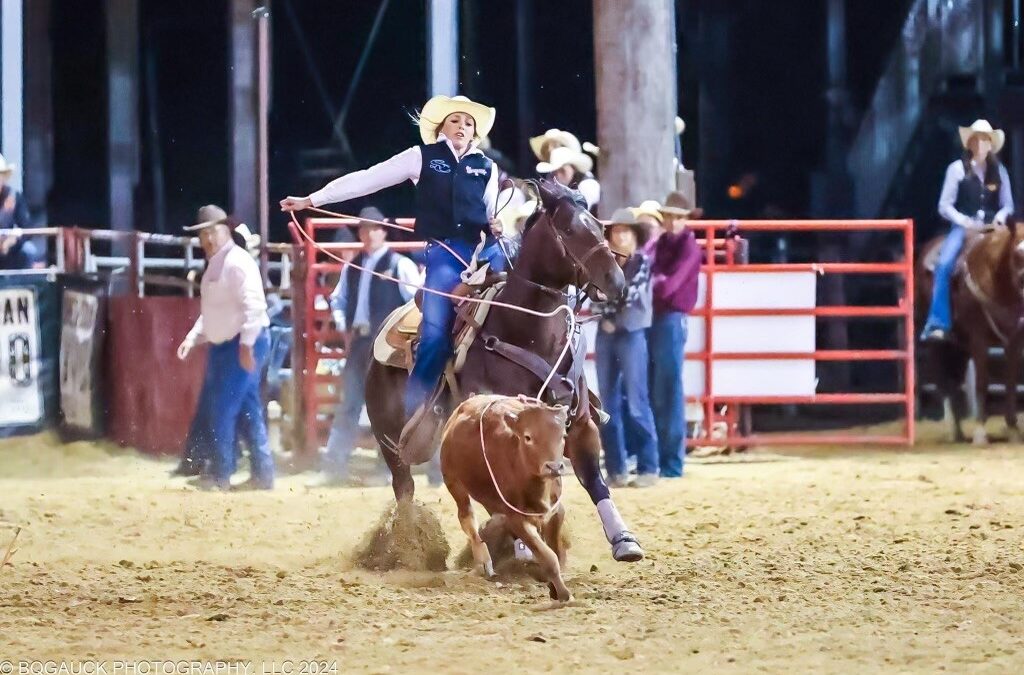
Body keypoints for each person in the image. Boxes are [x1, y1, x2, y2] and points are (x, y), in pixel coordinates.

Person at [280, 95, 507, 427]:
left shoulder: (487, 167)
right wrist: (313, 199)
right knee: (433, 334)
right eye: (455, 120)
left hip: (484, 252)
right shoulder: (421, 157)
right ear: (442, 127)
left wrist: (497, 224)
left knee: (518, 290)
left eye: (468, 122)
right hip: (445, 254)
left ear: (475, 132)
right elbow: (368, 178)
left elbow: (491, 214)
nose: (462, 126)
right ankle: (415, 412)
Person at [309, 212, 421, 487]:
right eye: (365, 230)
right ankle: (335, 466)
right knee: (350, 402)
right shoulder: (355, 266)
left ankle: (388, 468)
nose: (369, 234)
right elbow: (339, 299)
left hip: (387, 346)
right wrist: (343, 324)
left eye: (374, 229)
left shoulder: (399, 264)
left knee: (388, 408)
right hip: (361, 342)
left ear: (383, 232)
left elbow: (415, 302)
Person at [176, 205, 275, 491]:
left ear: (226, 231)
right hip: (231, 344)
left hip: (243, 342)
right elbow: (212, 314)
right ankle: (262, 473)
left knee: (222, 407)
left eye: (213, 232)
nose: (208, 239)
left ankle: (221, 474)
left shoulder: (236, 263)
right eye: (204, 234)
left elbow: (254, 307)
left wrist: (246, 346)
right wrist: (193, 338)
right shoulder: (220, 264)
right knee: (246, 410)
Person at [921, 119, 1015, 342]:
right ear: (970, 143)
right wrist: (964, 221)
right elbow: (944, 206)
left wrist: (1000, 218)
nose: (982, 144)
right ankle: (938, 322)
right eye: (978, 139)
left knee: (1016, 260)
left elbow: (1008, 204)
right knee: (944, 265)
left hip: (993, 229)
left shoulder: (999, 171)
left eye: (985, 140)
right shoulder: (956, 170)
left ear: (991, 144)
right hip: (964, 229)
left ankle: (1015, 317)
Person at [594, 208, 659, 488]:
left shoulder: (642, 262)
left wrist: (608, 314)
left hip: (629, 333)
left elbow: (626, 294)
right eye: (616, 231)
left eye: (625, 231)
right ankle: (617, 468)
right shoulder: (608, 263)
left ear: (634, 235)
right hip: (618, 333)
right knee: (609, 404)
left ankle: (648, 466)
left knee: (636, 402)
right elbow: (595, 293)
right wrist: (607, 309)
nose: (620, 236)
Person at [651, 191, 702, 477]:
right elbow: (664, 285)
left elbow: (669, 287)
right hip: (662, 318)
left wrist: (652, 282)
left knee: (667, 389)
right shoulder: (665, 245)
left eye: (678, 218)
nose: (672, 222)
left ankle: (671, 461)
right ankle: (666, 459)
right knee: (661, 389)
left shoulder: (688, 248)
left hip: (670, 318)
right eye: (669, 217)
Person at [0, 154, 39, 270]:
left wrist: (12, 241)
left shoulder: (14, 197)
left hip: (8, 248)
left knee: (28, 250)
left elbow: (27, 227)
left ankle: (19, 285)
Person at [536, 146, 601, 211]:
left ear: (574, 168)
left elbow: (579, 214)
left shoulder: (588, 185)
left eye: (562, 170)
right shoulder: (567, 188)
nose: (558, 175)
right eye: (555, 172)